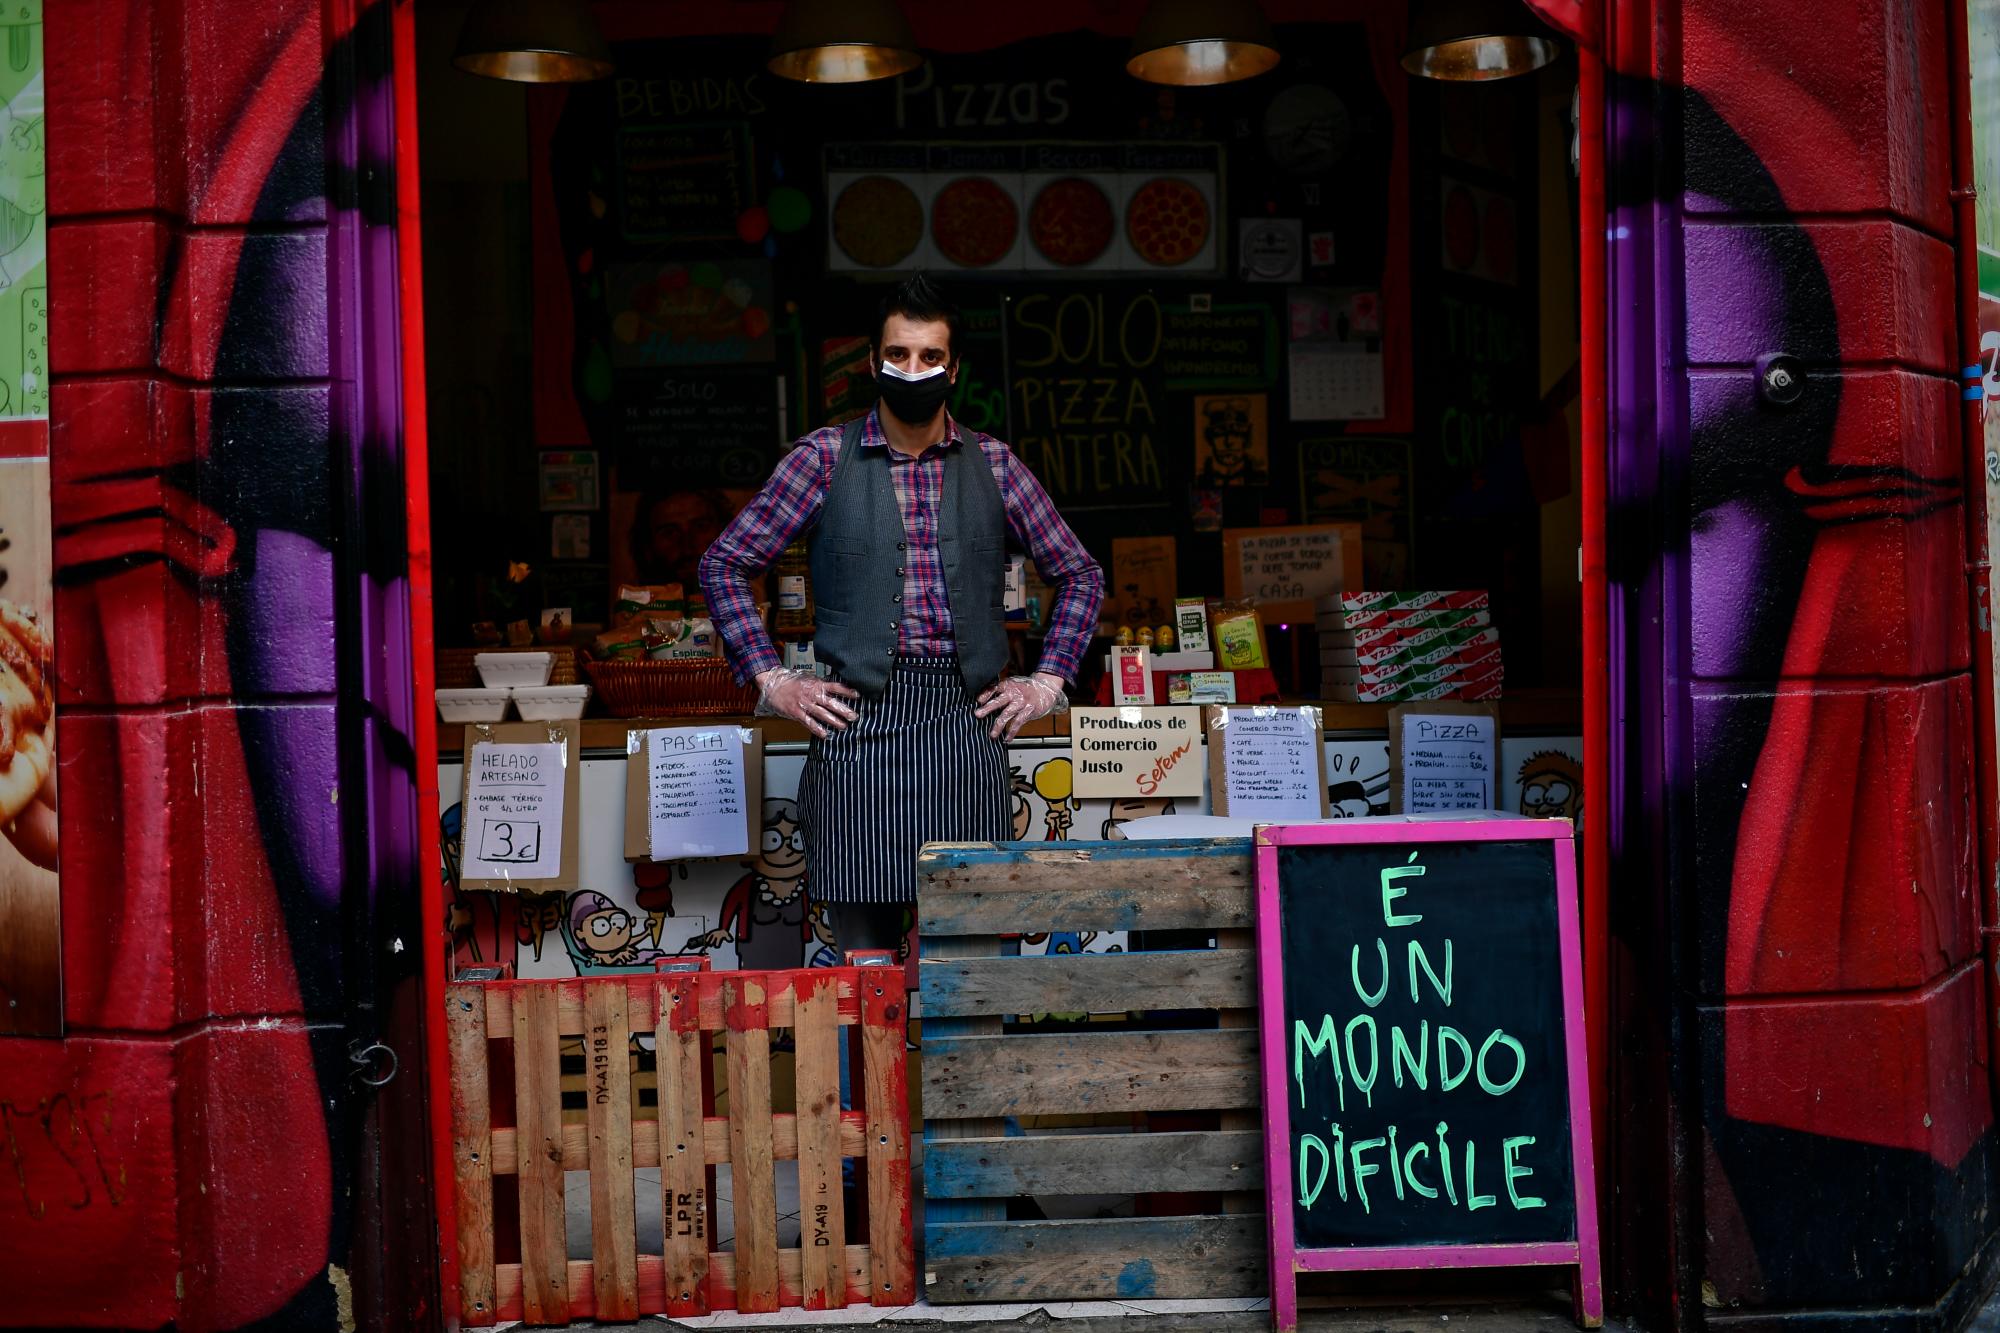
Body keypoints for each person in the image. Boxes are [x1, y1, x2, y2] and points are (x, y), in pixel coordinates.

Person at [701, 274, 1103, 953]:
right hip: (857, 731)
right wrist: (774, 680)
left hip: (963, 727)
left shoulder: (997, 466)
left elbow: (1081, 574)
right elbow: (725, 563)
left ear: (954, 368)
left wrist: (1048, 679)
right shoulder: (822, 459)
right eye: (898, 354)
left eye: (929, 357)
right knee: (865, 971)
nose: (912, 370)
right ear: (873, 362)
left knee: (968, 965)